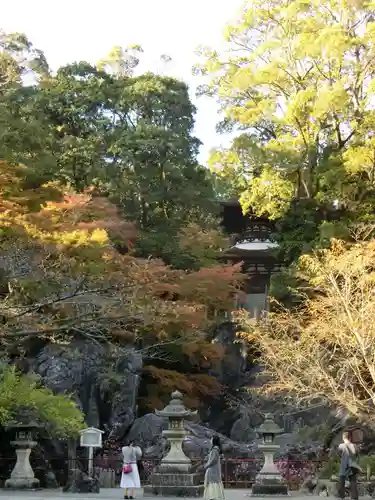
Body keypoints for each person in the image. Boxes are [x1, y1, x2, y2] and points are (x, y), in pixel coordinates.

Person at [338, 431, 361, 500]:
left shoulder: (341, 446)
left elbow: (339, 455)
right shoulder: (354, 445)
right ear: (350, 438)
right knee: (353, 483)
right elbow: (357, 455)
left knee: (342, 482)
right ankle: (354, 498)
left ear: (343, 438)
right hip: (352, 466)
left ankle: (342, 497)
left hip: (344, 466)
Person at [203, 435, 225, 500]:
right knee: (213, 482)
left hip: (213, 469)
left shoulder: (215, 449)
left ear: (214, 440)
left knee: (212, 482)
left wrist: (206, 465)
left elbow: (213, 460)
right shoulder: (215, 449)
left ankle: (213, 496)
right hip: (214, 469)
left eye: (211, 439)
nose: (210, 440)